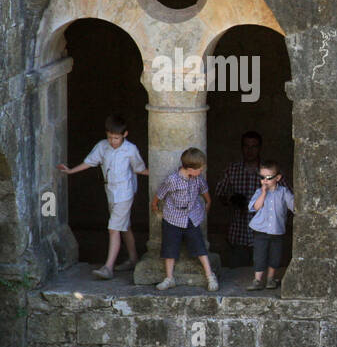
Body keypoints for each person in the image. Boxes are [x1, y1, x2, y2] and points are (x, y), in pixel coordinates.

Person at [57, 114, 149, 279]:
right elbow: (90, 162)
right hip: (110, 191)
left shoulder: (130, 149)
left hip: (125, 192)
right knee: (124, 226)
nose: (113, 140)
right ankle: (134, 259)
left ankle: (108, 267)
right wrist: (70, 171)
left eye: (116, 138)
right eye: (110, 137)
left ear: (125, 134)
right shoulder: (102, 146)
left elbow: (139, 168)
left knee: (113, 228)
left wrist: (159, 174)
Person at [151, 147, 219, 292]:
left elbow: (205, 192)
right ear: (189, 169)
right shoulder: (173, 180)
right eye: (199, 169)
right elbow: (160, 193)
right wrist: (154, 204)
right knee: (170, 248)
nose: (201, 171)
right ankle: (169, 278)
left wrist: (208, 203)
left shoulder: (197, 179)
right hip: (173, 217)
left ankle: (210, 275)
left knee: (199, 246)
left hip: (190, 217)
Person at [214, 130, 264, 268]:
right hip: (238, 233)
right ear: (242, 148)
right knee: (237, 274)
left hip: (262, 235)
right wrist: (232, 199)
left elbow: (286, 195)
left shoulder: (268, 171)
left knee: (260, 276)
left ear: (260, 148)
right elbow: (219, 194)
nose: (250, 150)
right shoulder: (232, 170)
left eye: (254, 146)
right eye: (246, 146)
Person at [246, 161, 294, 291]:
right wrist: (263, 193)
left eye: (268, 178)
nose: (265, 181)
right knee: (259, 255)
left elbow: (293, 206)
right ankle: (257, 280)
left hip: (277, 230)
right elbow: (255, 207)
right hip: (260, 230)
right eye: (262, 177)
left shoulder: (283, 192)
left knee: (275, 256)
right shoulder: (258, 192)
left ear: (277, 178)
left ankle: (270, 279)